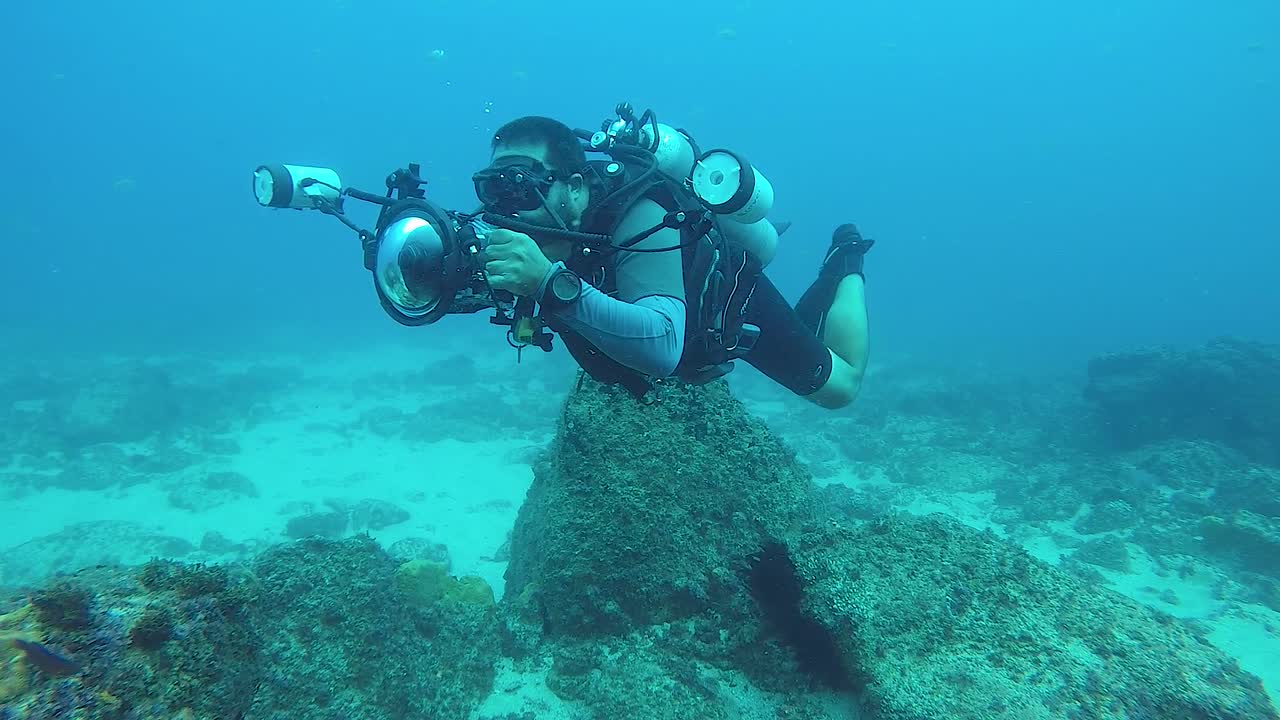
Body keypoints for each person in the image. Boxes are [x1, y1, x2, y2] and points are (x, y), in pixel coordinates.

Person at [474, 115, 873, 409]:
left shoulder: (642, 215)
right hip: (659, 326)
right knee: (805, 331)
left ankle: (847, 261)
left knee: (840, 388)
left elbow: (663, 345)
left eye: (522, 188)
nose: (507, 209)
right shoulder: (533, 233)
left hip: (728, 300)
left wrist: (548, 283)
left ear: (575, 188)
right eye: (493, 189)